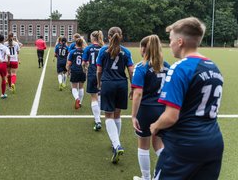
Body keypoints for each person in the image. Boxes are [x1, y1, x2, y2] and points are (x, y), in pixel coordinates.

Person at [150, 17, 224, 180]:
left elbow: (170, 117)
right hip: (213, 142)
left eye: (171, 40)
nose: (169, 44)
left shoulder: (180, 68)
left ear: (180, 42)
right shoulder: (214, 67)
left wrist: (155, 126)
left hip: (184, 145)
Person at [131, 35, 170, 180]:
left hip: (146, 110)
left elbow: (138, 93)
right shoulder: (167, 65)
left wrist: (134, 115)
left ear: (143, 48)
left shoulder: (141, 67)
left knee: (143, 144)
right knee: (158, 143)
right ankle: (161, 175)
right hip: (163, 110)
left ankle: (146, 177)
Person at [96, 26, 134, 164]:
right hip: (122, 85)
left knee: (108, 116)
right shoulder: (127, 51)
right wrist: (133, 87)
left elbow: (99, 70)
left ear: (109, 36)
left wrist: (99, 83)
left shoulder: (103, 50)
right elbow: (131, 71)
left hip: (108, 84)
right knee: (117, 115)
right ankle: (115, 143)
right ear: (121, 36)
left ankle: (116, 144)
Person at [82, 30, 104, 131]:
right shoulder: (104, 48)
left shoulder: (88, 48)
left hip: (92, 73)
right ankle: (98, 116)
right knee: (99, 94)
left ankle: (97, 120)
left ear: (92, 38)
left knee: (93, 97)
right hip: (103, 74)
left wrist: (84, 68)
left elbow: (84, 62)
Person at [66, 38, 86, 109]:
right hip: (82, 71)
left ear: (75, 44)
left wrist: (68, 71)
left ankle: (77, 98)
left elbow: (69, 63)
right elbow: (86, 63)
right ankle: (80, 102)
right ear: (82, 44)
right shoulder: (85, 52)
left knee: (74, 87)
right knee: (81, 87)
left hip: (74, 71)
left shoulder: (72, 52)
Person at [0, 34, 10, 99]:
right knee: (4, 79)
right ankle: (3, 94)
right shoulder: (5, 47)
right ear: (3, 40)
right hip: (3, 63)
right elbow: (8, 55)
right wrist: (8, 61)